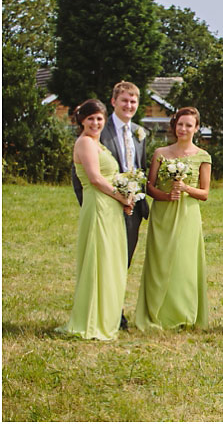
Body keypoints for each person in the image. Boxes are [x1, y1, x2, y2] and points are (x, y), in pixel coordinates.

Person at [71, 81, 149, 330]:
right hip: (105, 206)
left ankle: (113, 308)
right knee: (105, 260)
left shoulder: (140, 132)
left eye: (134, 101)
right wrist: (91, 205)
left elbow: (140, 167)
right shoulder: (98, 134)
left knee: (121, 261)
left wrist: (135, 199)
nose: (129, 105)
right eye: (124, 100)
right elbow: (83, 176)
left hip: (132, 206)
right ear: (114, 102)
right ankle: (112, 314)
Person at [60, 99, 133, 339]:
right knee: (98, 259)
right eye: (90, 118)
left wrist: (126, 195)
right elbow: (95, 179)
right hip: (98, 205)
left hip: (109, 206)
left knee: (109, 259)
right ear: (82, 120)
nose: (95, 122)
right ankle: (92, 317)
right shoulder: (84, 143)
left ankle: (107, 313)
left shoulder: (98, 144)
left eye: (99, 118)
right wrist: (121, 198)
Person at [135, 107, 211, 331]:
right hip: (163, 214)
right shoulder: (161, 153)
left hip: (188, 214)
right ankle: (154, 312)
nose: (184, 129)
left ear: (196, 128)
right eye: (180, 124)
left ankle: (184, 314)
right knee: (160, 261)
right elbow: (149, 186)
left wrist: (186, 188)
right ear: (174, 125)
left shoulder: (203, 156)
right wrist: (166, 195)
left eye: (189, 125)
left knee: (184, 264)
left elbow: (205, 193)